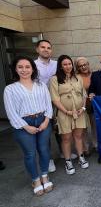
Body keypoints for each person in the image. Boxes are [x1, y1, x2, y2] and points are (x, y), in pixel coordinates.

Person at [4, 57, 53, 196]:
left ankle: (44, 175)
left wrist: (46, 121)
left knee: (44, 150)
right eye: (20, 67)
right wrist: (26, 126)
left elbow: (48, 104)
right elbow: (11, 112)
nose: (24, 70)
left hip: (43, 120)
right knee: (30, 154)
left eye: (27, 67)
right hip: (23, 124)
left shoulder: (41, 85)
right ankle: (36, 180)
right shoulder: (10, 89)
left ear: (32, 69)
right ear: (15, 69)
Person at [49, 55, 89, 175]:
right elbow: (55, 99)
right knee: (66, 138)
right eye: (65, 64)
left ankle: (81, 157)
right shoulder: (54, 79)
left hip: (79, 112)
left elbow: (84, 94)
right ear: (60, 66)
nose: (68, 66)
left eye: (69, 64)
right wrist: (67, 111)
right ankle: (68, 161)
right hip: (64, 113)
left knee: (78, 136)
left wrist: (82, 108)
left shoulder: (78, 77)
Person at [34, 39, 58, 173]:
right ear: (37, 49)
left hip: (57, 102)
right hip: (41, 103)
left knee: (60, 128)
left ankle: (62, 152)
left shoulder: (56, 64)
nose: (46, 50)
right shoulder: (32, 65)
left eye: (48, 48)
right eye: (43, 47)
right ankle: (48, 160)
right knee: (45, 133)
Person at [75, 57, 93, 157]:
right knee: (83, 128)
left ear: (88, 64)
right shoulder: (76, 77)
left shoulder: (94, 74)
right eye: (80, 66)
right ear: (78, 68)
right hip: (81, 106)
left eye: (85, 64)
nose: (83, 67)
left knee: (95, 126)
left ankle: (96, 145)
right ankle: (85, 148)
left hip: (93, 105)